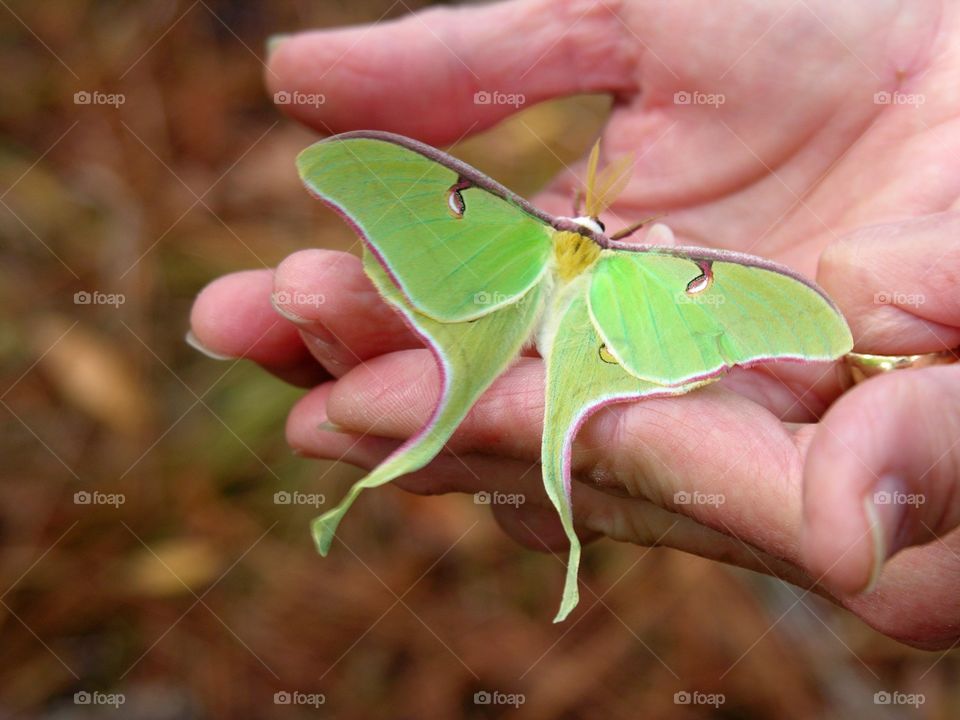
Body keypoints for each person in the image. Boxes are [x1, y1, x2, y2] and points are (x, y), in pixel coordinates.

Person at [187, 0, 960, 649]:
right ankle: (383, 518)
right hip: (542, 313)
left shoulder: (615, 253)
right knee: (503, 423)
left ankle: (375, 516)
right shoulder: (616, 254)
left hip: (552, 317)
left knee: (527, 429)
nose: (580, 235)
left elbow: (784, 314)